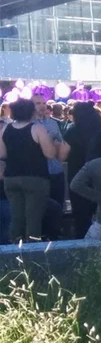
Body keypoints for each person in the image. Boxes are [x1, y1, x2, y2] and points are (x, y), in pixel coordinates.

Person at [0, 99, 57, 242]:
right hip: (35, 178)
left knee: (16, 216)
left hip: (11, 177)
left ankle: (13, 250)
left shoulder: (5, 129)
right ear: (31, 112)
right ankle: (32, 253)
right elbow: (50, 154)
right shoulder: (37, 129)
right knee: (34, 218)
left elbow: (2, 154)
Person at [63, 101, 101, 239]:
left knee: (81, 215)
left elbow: (62, 155)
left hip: (77, 175)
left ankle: (82, 242)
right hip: (100, 175)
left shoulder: (72, 130)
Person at [31, 94, 70, 209]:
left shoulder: (52, 123)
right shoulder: (29, 124)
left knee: (58, 206)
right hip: (38, 173)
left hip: (56, 171)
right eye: (38, 103)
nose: (42, 106)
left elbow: (60, 142)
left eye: (44, 103)